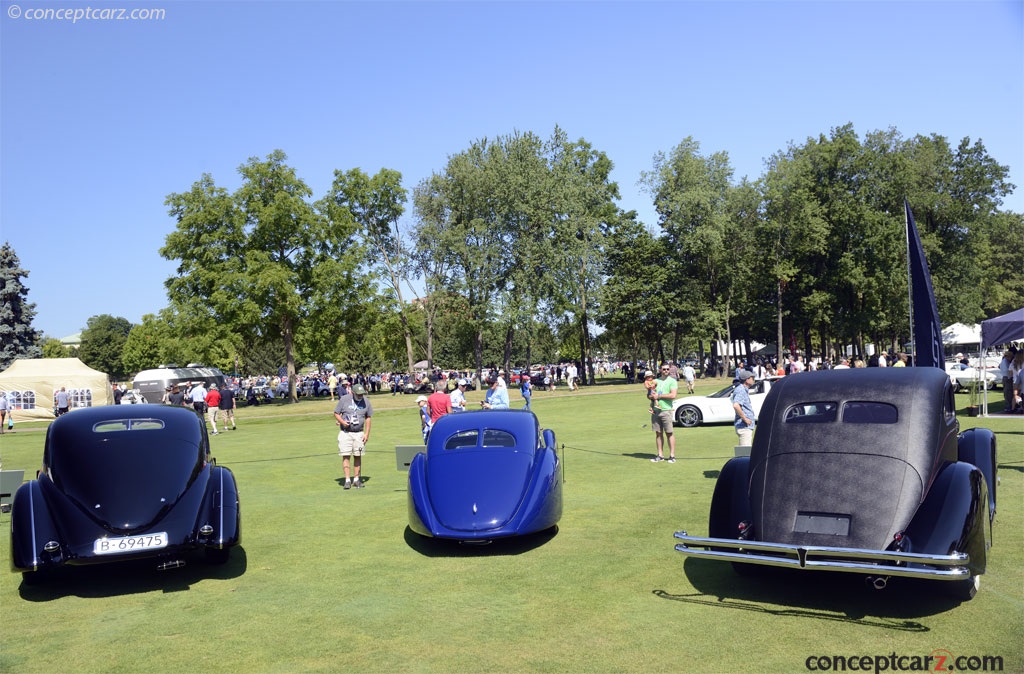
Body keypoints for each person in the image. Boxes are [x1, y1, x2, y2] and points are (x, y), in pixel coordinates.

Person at [334, 383, 373, 489]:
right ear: (352, 392)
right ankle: (347, 480)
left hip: (359, 433)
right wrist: (342, 422)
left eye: (362, 394)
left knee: (357, 455)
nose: (360, 396)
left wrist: (366, 433)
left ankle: (356, 479)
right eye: (358, 394)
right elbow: (336, 413)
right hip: (345, 433)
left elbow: (368, 417)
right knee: (346, 455)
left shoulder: (366, 401)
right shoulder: (344, 399)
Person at [649, 364, 678, 463]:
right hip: (656, 410)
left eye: (667, 369)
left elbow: (673, 395)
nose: (666, 370)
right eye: (664, 369)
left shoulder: (672, 381)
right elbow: (649, 393)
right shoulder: (656, 381)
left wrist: (659, 396)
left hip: (666, 410)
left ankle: (672, 456)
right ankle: (660, 455)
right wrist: (651, 396)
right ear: (660, 370)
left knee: (669, 433)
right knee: (658, 433)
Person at [731, 369, 756, 447]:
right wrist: (745, 419)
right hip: (744, 426)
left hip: (746, 426)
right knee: (745, 453)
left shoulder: (743, 390)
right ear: (747, 380)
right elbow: (736, 405)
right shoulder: (741, 390)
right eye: (752, 378)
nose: (753, 380)